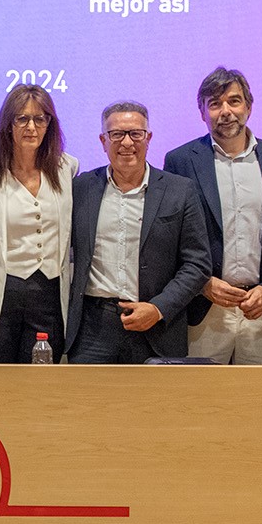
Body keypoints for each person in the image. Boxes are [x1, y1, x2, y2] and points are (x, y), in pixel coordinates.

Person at [162, 66, 262, 365]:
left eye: (234, 101)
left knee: (260, 394)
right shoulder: (180, 161)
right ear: (202, 113)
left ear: (248, 107)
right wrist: (201, 283)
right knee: (199, 393)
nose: (225, 111)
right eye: (214, 104)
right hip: (204, 308)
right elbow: (170, 238)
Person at [64, 101, 208, 364]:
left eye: (135, 134)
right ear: (103, 141)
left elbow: (197, 264)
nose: (127, 142)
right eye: (117, 134)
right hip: (92, 329)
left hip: (157, 328)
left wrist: (159, 308)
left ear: (148, 138)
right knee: (88, 393)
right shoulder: (81, 188)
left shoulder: (180, 190)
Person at [0, 84, 77, 364]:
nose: (31, 127)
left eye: (40, 119)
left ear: (49, 124)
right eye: (22, 119)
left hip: (48, 295)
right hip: (0, 294)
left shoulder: (66, 169)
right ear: (8, 124)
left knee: (40, 381)